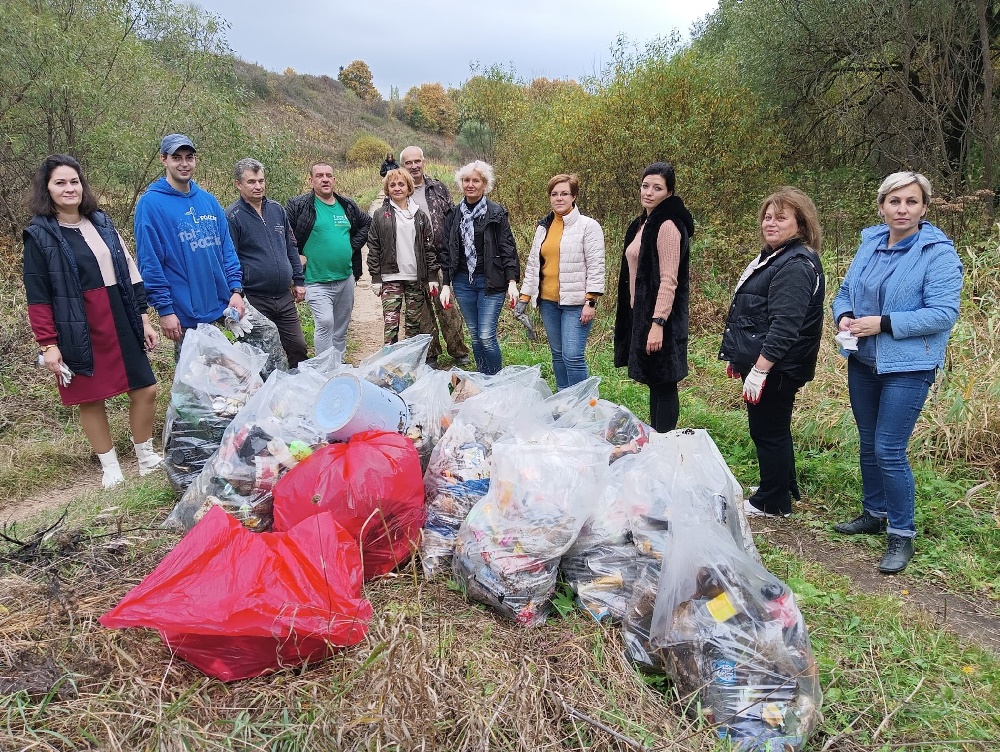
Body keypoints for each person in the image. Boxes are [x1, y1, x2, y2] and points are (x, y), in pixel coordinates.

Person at [832, 171, 962, 574]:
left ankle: (901, 533)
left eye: (911, 201)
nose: (902, 209)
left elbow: (943, 314)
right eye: (894, 201)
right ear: (882, 206)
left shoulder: (937, 252)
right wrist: (845, 317)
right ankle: (875, 513)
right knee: (869, 442)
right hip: (864, 360)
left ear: (924, 207)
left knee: (889, 448)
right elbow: (845, 291)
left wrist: (883, 323)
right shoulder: (869, 242)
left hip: (909, 365)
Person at [24, 155, 161, 488]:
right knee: (90, 397)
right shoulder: (39, 235)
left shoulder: (100, 220)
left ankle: (146, 456)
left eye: (74, 181)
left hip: (118, 313)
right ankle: (110, 467)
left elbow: (130, 271)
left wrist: (143, 317)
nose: (69, 188)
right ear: (47, 189)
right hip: (76, 322)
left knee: (146, 388)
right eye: (60, 182)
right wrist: (48, 344)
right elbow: (38, 295)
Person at [719, 188, 825, 519]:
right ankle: (778, 484)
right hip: (773, 363)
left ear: (801, 224)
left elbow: (785, 327)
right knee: (773, 426)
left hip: (779, 366)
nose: (771, 223)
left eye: (781, 218)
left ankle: (773, 502)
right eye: (767, 217)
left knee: (768, 430)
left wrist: (761, 369)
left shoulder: (794, 265)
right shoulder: (777, 257)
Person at [133, 134, 246, 356]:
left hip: (222, 303)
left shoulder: (208, 200)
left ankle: (267, 389)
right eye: (177, 158)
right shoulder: (151, 204)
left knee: (262, 340)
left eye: (189, 157)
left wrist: (236, 290)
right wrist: (165, 310)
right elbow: (150, 262)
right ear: (163, 159)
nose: (184, 164)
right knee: (196, 378)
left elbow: (227, 250)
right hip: (185, 312)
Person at [613, 162, 694, 432]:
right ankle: (659, 439)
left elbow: (670, 280)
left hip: (662, 318)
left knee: (664, 382)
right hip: (643, 314)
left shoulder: (668, 225)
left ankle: (665, 441)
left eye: (657, 188)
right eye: (645, 186)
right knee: (655, 382)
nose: (648, 192)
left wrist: (658, 324)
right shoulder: (643, 223)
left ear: (669, 193)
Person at [516, 173, 605, 390]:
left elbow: (596, 266)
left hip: (576, 304)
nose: (559, 198)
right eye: (554, 194)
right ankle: (565, 402)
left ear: (574, 196)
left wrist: (591, 301)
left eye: (564, 193)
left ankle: (583, 406)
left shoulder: (588, 226)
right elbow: (533, 265)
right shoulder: (544, 227)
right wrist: (525, 296)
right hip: (548, 302)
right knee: (557, 354)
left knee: (572, 355)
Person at [439, 160, 520, 375]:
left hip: (491, 281)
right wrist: (446, 284)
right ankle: (483, 378)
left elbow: (507, 248)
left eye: (476, 180)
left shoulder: (496, 213)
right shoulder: (453, 214)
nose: (470, 184)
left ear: (484, 184)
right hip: (463, 281)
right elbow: (447, 251)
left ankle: (495, 380)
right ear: (461, 183)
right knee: (474, 334)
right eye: (466, 180)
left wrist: (512, 282)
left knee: (486, 335)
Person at [226, 158, 308, 367]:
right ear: (238, 184)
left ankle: (298, 391)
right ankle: (268, 396)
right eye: (251, 182)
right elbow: (230, 257)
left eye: (261, 181)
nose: (258, 186)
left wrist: (298, 280)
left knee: (297, 347)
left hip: (283, 296)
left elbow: (291, 246)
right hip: (255, 297)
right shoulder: (232, 216)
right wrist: (236, 293)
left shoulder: (277, 210)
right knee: (263, 354)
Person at [286, 162, 371, 358]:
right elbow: (282, 233)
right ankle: (323, 371)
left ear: (334, 180)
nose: (325, 179)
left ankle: (337, 369)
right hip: (315, 280)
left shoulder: (346, 205)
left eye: (328, 175)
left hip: (345, 278)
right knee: (325, 322)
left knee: (340, 330)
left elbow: (367, 223)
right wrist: (294, 255)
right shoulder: (298, 206)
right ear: (311, 180)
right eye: (319, 176)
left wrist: (351, 246)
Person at [400, 145, 470, 367]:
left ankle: (458, 350)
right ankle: (431, 353)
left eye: (417, 161)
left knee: (447, 306)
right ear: (403, 165)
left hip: (440, 257)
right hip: (412, 261)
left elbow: (452, 218)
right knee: (422, 311)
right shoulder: (399, 189)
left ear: (423, 161)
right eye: (408, 162)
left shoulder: (437, 187)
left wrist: (456, 252)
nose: (413, 166)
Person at [367, 168, 440, 349]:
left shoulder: (420, 216)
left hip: (415, 277)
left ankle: (408, 366)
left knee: (413, 325)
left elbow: (429, 248)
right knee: (391, 325)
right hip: (390, 278)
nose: (397, 188)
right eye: (392, 185)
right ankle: (389, 365)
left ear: (409, 187)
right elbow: (373, 247)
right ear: (387, 189)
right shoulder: (380, 215)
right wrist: (376, 278)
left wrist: (432, 277)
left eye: (401, 184)